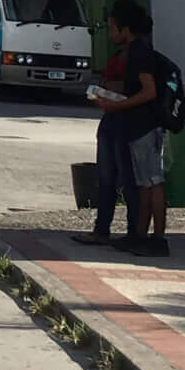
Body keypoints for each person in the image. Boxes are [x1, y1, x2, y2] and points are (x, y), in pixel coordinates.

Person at [93, 0, 179, 256]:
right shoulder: (135, 51)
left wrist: (119, 106)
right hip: (137, 126)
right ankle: (139, 235)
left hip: (145, 126)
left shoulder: (139, 52)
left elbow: (149, 91)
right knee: (144, 184)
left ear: (125, 29)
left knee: (152, 182)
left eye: (112, 28)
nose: (110, 33)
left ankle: (157, 238)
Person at [72, 36, 131, 247]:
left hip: (127, 124)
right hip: (110, 121)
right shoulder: (116, 57)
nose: (111, 33)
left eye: (114, 27)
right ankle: (101, 229)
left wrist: (111, 87)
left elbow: (132, 88)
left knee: (128, 181)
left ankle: (133, 233)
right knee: (105, 181)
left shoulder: (140, 58)